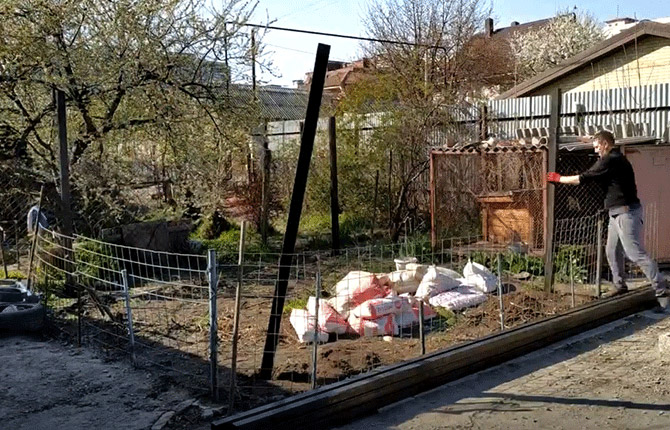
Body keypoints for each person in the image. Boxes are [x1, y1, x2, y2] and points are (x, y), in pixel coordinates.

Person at [546, 130, 668, 302]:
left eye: (597, 147)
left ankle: (661, 290)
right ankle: (620, 286)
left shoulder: (611, 159)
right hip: (615, 213)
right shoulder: (613, 159)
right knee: (611, 251)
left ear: (605, 144)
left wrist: (559, 179)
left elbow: (584, 178)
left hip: (626, 213)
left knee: (634, 254)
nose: (595, 150)